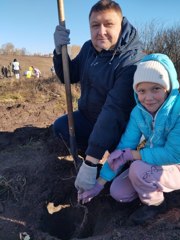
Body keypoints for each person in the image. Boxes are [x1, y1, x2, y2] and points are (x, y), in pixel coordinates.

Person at [53, 0, 145, 192]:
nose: (100, 31)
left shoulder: (131, 62)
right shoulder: (88, 48)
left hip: (119, 128)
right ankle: (91, 153)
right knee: (61, 127)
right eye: (95, 25)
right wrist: (59, 51)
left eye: (108, 24)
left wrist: (90, 163)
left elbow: (114, 111)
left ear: (121, 25)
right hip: (89, 117)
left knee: (121, 176)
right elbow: (68, 76)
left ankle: (99, 158)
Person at [78, 53, 180, 225]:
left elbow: (174, 153)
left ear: (168, 87)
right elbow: (125, 146)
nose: (148, 97)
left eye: (156, 88)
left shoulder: (177, 111)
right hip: (152, 164)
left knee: (137, 168)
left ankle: (156, 205)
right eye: (142, 91)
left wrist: (133, 155)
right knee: (118, 192)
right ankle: (150, 187)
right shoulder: (138, 113)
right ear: (136, 92)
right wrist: (100, 183)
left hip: (176, 164)